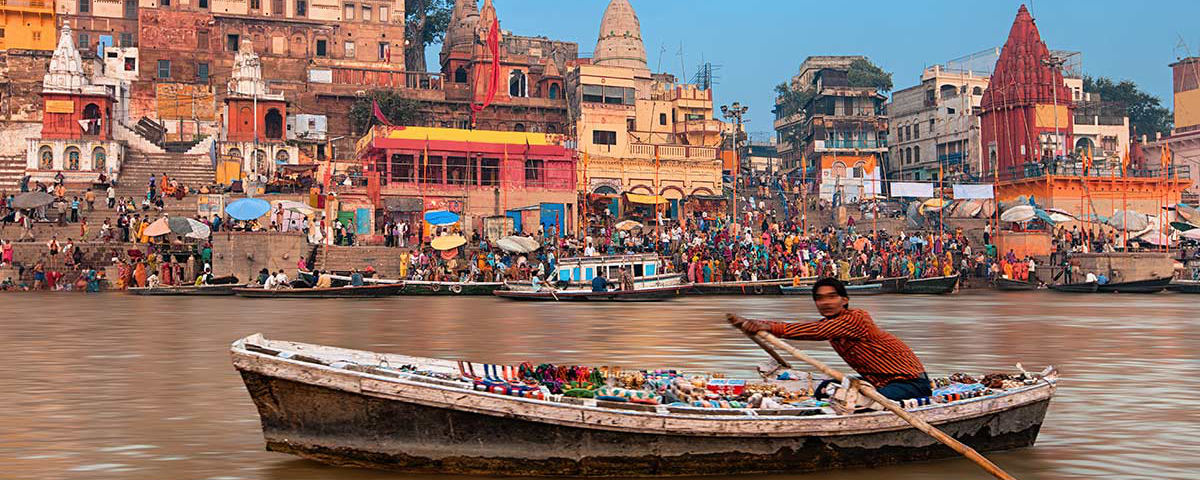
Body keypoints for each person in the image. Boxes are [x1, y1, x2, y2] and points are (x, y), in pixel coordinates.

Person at [729, 277, 932, 402]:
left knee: (862, 402)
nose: (825, 302)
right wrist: (756, 325)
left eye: (831, 297)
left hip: (910, 382)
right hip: (876, 381)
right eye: (820, 298)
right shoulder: (831, 325)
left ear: (844, 300)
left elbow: (816, 331)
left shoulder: (856, 318)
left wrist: (765, 326)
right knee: (824, 389)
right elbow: (815, 329)